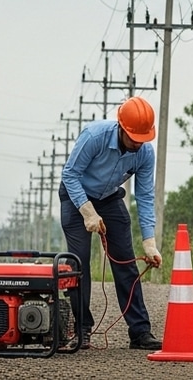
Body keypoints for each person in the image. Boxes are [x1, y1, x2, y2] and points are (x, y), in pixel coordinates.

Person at [59, 97, 163, 351]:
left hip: (109, 199)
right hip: (77, 198)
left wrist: (149, 242)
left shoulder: (144, 152)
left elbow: (146, 196)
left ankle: (140, 332)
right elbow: (70, 174)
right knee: (77, 264)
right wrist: (88, 212)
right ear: (121, 127)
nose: (138, 143)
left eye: (143, 138)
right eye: (133, 137)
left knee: (125, 263)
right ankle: (81, 329)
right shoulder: (94, 136)